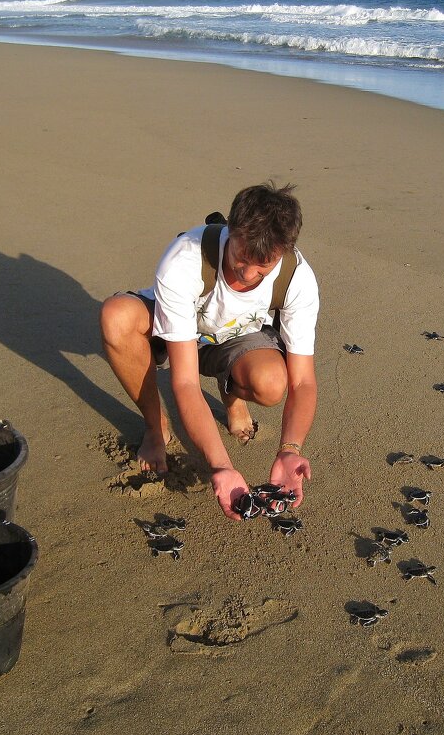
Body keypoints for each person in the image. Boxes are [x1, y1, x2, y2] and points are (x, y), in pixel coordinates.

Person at [100, 183, 319, 520]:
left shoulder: (297, 279)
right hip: (178, 332)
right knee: (116, 317)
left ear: (284, 250)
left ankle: (232, 391)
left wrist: (290, 450)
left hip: (237, 338)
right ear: (230, 230)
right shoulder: (185, 258)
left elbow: (302, 382)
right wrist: (222, 466)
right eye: (240, 259)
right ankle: (156, 427)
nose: (246, 276)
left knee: (273, 383)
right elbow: (185, 383)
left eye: (262, 269)